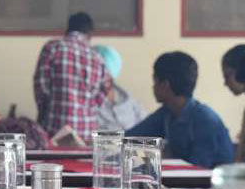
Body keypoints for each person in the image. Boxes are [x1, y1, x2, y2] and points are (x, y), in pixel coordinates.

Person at [126, 52, 233, 168]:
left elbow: (197, 169)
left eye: (155, 82)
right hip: (183, 176)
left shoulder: (206, 120)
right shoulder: (166, 113)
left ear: (165, 85)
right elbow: (130, 139)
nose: (153, 87)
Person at [33, 12, 109, 141]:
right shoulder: (97, 57)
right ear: (90, 34)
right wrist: (89, 110)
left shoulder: (52, 48)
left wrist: (44, 114)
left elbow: (41, 88)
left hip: (54, 130)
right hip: (86, 133)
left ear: (68, 29)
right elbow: (103, 92)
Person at [93, 45, 145, 131]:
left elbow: (146, 127)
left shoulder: (127, 98)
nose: (104, 78)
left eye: (108, 75)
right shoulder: (87, 103)